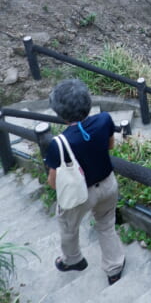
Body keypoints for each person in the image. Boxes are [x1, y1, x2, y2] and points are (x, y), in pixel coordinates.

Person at [44, 78, 126, 285]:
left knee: (67, 226)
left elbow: (53, 183)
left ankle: (73, 260)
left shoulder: (59, 144)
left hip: (80, 195)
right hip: (108, 184)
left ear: (60, 113)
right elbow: (110, 146)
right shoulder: (104, 119)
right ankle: (114, 268)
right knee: (106, 224)